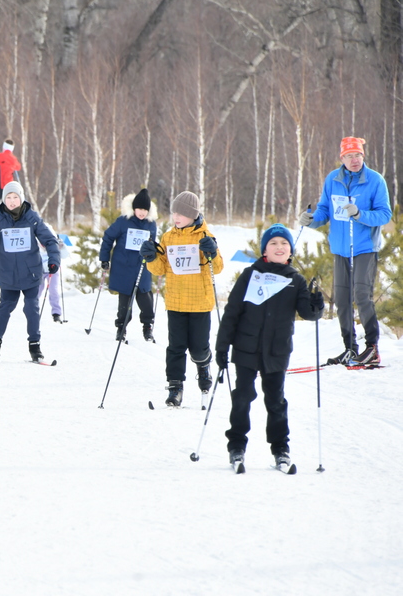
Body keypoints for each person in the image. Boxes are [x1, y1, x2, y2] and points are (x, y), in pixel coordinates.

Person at [215, 224, 325, 471]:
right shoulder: (250, 274)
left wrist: (318, 306)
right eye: (273, 243)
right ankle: (236, 447)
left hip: (277, 351)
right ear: (264, 249)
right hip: (246, 347)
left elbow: (308, 313)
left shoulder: (295, 280)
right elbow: (232, 311)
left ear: (290, 251)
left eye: (284, 244)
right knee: (242, 397)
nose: (279, 247)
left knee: (276, 401)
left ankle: (280, 450)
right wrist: (222, 347)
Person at [298, 136, 392, 366]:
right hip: (340, 249)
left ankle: (372, 348)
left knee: (362, 295)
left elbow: (384, 214)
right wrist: (311, 220)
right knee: (342, 299)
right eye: (349, 156)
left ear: (363, 156)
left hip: (364, 248)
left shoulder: (375, 181)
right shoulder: (333, 179)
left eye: (358, 155)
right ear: (342, 158)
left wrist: (360, 214)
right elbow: (324, 210)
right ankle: (350, 348)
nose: (354, 160)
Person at [140, 191, 223, 407]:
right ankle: (175, 387)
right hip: (176, 301)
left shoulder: (205, 236)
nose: (176, 217)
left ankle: (203, 366)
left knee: (198, 347)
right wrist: (151, 256)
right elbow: (160, 270)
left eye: (181, 214)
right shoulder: (169, 237)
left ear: (193, 215)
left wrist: (212, 252)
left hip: (200, 302)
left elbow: (219, 267)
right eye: (174, 212)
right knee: (175, 347)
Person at [0, 181, 60, 363]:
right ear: (4, 199)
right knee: (5, 307)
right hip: (9, 274)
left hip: (31, 273)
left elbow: (50, 240)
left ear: (21, 198)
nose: (12, 201)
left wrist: (54, 260)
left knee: (31, 308)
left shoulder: (32, 218)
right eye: (8, 198)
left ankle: (35, 347)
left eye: (15, 197)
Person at [99, 188, 159, 343]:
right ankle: (121, 329)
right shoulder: (123, 222)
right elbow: (108, 237)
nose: (142, 212)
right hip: (124, 267)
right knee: (124, 304)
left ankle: (148, 329)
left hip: (142, 268)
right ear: (133, 208)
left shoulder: (151, 225)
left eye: (145, 210)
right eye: (139, 209)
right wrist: (105, 258)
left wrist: (155, 256)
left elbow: (153, 244)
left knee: (146, 302)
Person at [41, 241, 65, 323]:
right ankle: (33, 309)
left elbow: (64, 255)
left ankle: (56, 313)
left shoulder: (55, 241)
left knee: (53, 290)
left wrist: (63, 247)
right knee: (37, 290)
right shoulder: (37, 240)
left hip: (53, 270)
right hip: (39, 270)